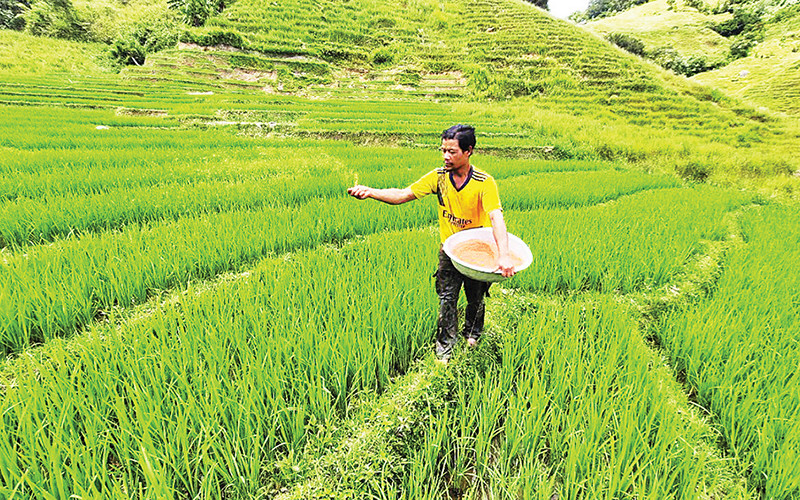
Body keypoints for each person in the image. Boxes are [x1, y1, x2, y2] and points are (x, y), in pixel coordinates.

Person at [347, 124, 514, 361]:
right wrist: (370, 191)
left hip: (477, 250)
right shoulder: (438, 177)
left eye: (452, 151)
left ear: (469, 151)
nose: (446, 156)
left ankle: (473, 333)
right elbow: (402, 195)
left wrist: (504, 254)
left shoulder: (484, 182)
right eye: (443, 150)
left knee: (476, 297)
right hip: (449, 250)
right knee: (447, 298)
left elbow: (496, 217)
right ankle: (445, 348)